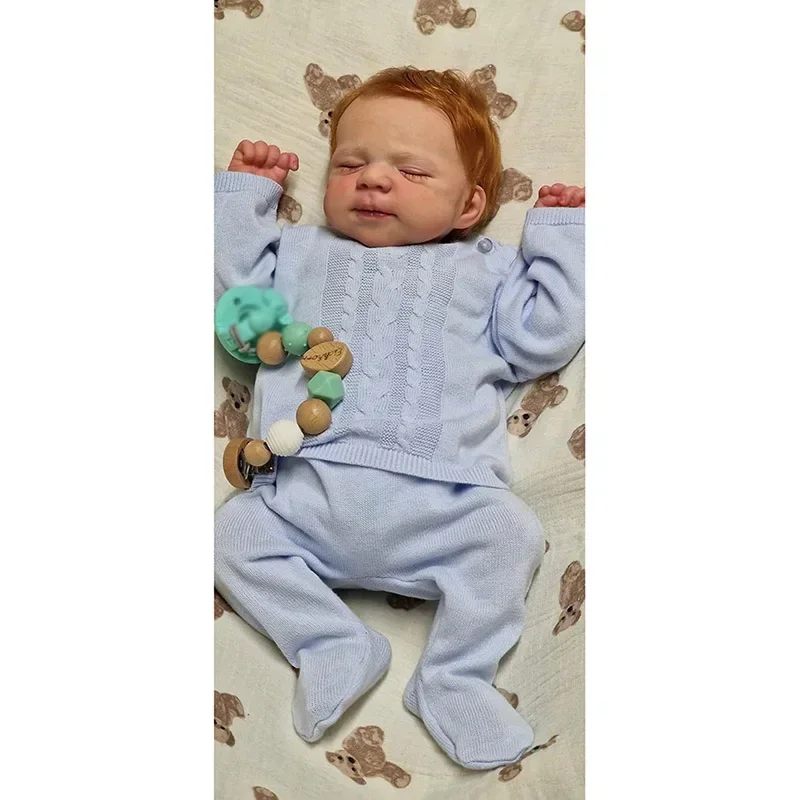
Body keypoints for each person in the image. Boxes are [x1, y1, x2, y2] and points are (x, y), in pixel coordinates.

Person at [214, 66, 585, 770]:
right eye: (350, 164)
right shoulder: (300, 253)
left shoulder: (489, 270)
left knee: (511, 536)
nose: (374, 180)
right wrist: (245, 198)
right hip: (303, 494)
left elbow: (543, 339)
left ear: (470, 204)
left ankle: (455, 676)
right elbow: (238, 319)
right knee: (230, 534)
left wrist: (562, 240)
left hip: (447, 504)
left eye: (410, 171)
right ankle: (331, 642)